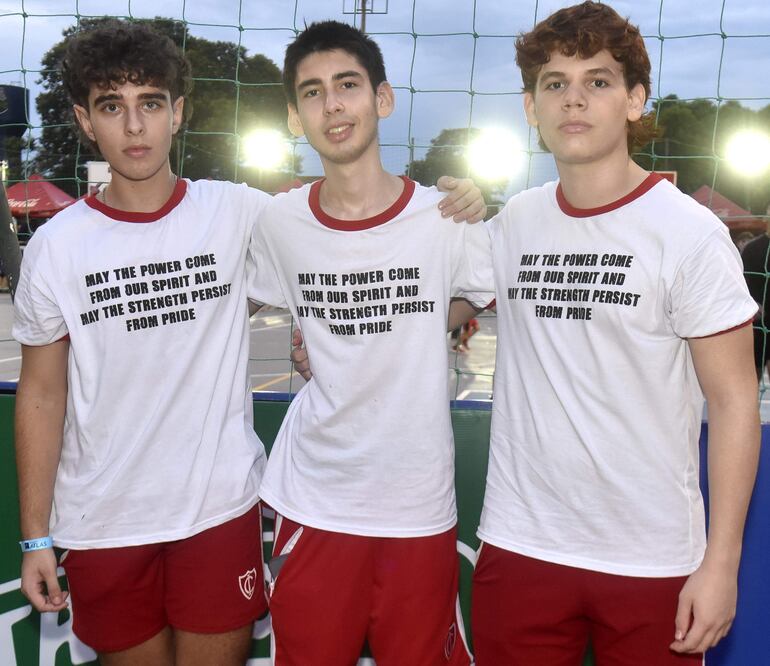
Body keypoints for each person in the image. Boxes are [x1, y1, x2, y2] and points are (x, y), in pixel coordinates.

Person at [12, 20, 485, 665]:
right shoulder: (55, 247)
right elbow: (41, 392)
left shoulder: (238, 212)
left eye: (151, 103)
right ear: (84, 120)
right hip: (103, 519)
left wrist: (462, 196)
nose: (135, 126)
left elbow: (357, 247)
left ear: (178, 112)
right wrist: (33, 536)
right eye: (111, 107)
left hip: (221, 509)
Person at [471, 3, 760, 665]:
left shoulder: (690, 235)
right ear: (531, 107)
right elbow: (433, 307)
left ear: (634, 101)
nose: (573, 99)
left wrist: (721, 564)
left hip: (651, 558)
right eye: (555, 83)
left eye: (597, 81)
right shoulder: (514, 222)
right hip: (522, 545)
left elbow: (735, 401)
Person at [247, 20, 494, 666]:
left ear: (382, 98)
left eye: (348, 85)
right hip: (315, 502)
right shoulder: (279, 222)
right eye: (312, 92)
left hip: (417, 504)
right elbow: (230, 304)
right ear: (295, 117)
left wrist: (410, 324)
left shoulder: (445, 217)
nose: (332, 105)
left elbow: (472, 295)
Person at [741, 223, 770, 380]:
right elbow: (740, 281)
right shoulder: (752, 248)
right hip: (757, 321)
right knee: (753, 374)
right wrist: (750, 302)